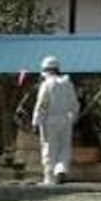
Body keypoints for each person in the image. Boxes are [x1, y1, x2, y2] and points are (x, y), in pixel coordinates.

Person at [31, 56, 79, 185]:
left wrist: (36, 121)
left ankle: (49, 178)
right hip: (66, 119)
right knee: (64, 147)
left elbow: (42, 104)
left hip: (50, 119)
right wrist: (73, 118)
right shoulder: (68, 83)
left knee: (49, 148)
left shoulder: (46, 84)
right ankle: (61, 169)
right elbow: (75, 104)